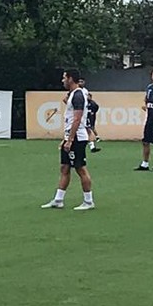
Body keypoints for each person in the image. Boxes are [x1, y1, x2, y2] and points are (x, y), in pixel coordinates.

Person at [43, 69, 95, 211]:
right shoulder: (73, 94)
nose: (63, 80)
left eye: (64, 78)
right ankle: (58, 200)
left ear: (71, 79)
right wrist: (65, 138)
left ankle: (88, 201)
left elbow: (77, 119)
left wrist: (71, 139)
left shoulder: (78, 95)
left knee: (80, 168)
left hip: (77, 138)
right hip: (71, 136)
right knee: (65, 167)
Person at [79, 77, 101, 152]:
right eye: (79, 81)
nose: (80, 83)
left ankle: (92, 147)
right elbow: (66, 99)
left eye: (82, 81)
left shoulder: (85, 91)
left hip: (84, 115)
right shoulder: (76, 90)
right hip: (78, 114)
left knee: (88, 130)